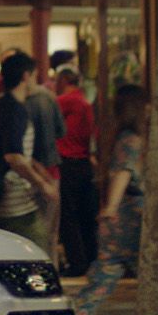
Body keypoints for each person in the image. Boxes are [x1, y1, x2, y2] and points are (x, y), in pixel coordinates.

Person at [73, 84, 150, 315]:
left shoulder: (116, 137)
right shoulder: (132, 140)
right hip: (130, 219)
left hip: (120, 219)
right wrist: (111, 207)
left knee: (102, 281)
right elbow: (123, 173)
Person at [0, 51, 58, 249]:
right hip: (15, 200)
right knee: (36, 248)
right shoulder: (15, 109)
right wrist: (42, 185)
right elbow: (14, 156)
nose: (36, 82)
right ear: (26, 76)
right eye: (35, 76)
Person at [54, 61, 99, 276]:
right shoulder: (85, 103)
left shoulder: (63, 101)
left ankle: (77, 262)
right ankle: (91, 258)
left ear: (62, 80)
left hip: (66, 161)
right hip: (84, 162)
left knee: (68, 217)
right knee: (86, 215)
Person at [26, 54, 67, 264]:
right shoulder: (49, 98)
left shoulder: (13, 102)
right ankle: (52, 273)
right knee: (50, 231)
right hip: (50, 169)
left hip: (24, 172)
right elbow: (61, 131)